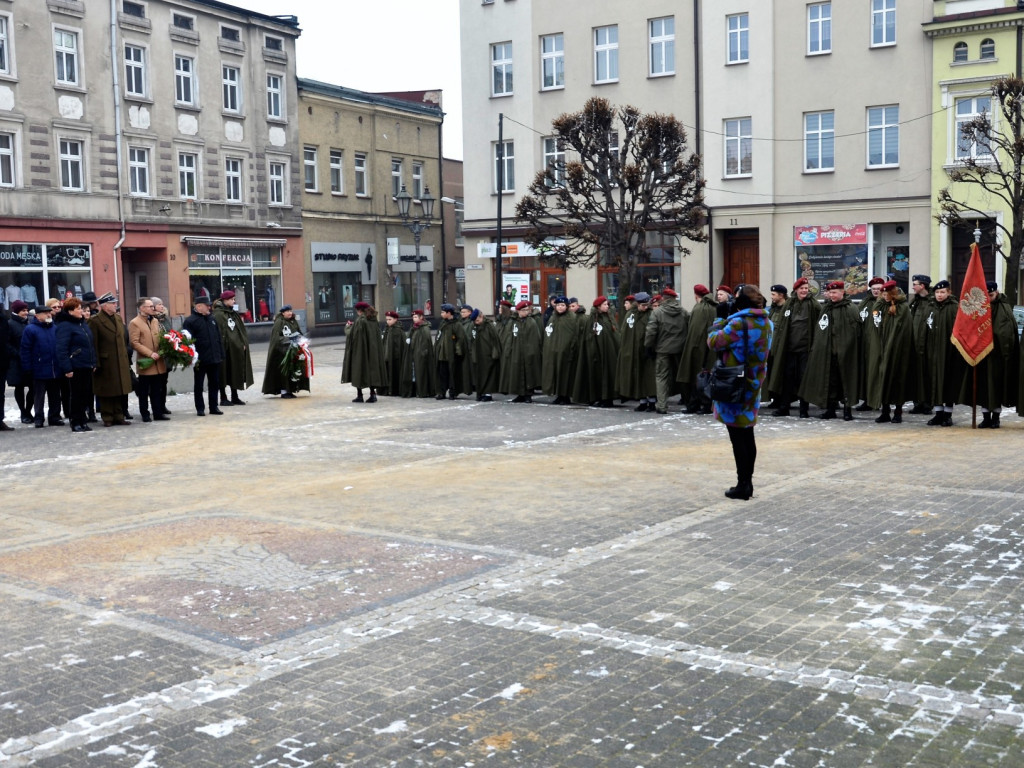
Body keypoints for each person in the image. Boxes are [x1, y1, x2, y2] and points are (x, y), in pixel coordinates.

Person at [707, 284, 773, 501]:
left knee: (737, 437)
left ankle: (742, 485)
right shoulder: (767, 323)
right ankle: (747, 482)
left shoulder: (737, 323)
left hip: (734, 383)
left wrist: (719, 319)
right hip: (753, 382)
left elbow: (714, 342)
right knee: (747, 433)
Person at [798, 280, 861, 420]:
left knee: (846, 381)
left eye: (834, 292)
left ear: (842, 292)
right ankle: (830, 409)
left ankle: (847, 410)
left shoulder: (851, 308)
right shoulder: (826, 308)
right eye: (830, 292)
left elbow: (856, 332)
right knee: (830, 381)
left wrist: (846, 348)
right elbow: (821, 329)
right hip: (829, 353)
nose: (831, 295)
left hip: (846, 353)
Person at [967, 281, 1019, 428]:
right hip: (982, 355)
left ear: (996, 293)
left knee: (996, 387)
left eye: (991, 295)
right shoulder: (979, 308)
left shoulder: (1004, 308)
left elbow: (1007, 332)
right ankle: (985, 417)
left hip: (998, 356)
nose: (988, 298)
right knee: (983, 387)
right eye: (986, 295)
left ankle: (995, 417)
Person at [767, 277, 821, 418]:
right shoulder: (789, 304)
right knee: (787, 378)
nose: (804, 291)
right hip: (789, 349)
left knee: (803, 379)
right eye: (801, 288)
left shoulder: (813, 304)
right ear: (796, 290)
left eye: (806, 288)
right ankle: (784, 407)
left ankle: (804, 409)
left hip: (805, 349)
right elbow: (783, 327)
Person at [872, 280, 913, 423]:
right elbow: (875, 321)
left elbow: (903, 330)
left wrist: (892, 345)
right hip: (883, 349)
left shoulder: (902, 307)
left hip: (898, 351)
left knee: (897, 381)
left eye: (887, 294)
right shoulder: (882, 305)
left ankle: (898, 412)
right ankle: (885, 411)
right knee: (883, 379)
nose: (884, 296)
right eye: (883, 294)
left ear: (893, 293)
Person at [89, 294, 133, 426]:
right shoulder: (95, 321)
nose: (115, 305)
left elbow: (123, 338)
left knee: (119, 389)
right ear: (104, 305)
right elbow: (93, 344)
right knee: (107, 390)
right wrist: (96, 362)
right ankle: (107, 417)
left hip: (120, 360)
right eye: (113, 303)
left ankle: (119, 415)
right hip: (106, 361)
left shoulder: (118, 318)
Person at [54, 297, 96, 432]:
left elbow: (90, 345)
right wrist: (67, 367)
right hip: (75, 365)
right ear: (70, 311)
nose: (81, 311)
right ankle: (75, 421)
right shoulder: (65, 326)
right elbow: (61, 349)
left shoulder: (82, 324)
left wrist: (93, 362)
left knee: (85, 394)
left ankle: (83, 420)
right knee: (76, 395)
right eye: (78, 309)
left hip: (86, 364)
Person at [925, 280, 964, 426]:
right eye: (937, 292)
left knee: (948, 384)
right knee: (934, 382)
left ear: (949, 293)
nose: (939, 295)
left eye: (942, 292)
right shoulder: (930, 307)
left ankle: (948, 415)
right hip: (932, 351)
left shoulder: (955, 308)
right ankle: (938, 413)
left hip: (949, 353)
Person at [644, 286, 689, 414]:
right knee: (682, 376)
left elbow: (651, 332)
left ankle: (662, 405)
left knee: (661, 376)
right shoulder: (683, 312)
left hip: (662, 349)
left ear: (663, 298)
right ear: (675, 299)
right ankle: (689, 402)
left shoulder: (657, 312)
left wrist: (648, 346)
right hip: (680, 349)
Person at [676, 284, 718, 414]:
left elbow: (695, 332)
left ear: (696, 295)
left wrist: (691, 348)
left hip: (698, 347)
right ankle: (703, 404)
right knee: (706, 376)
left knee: (697, 376)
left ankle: (697, 404)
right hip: (710, 346)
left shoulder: (700, 308)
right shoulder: (713, 307)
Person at [572, 296, 619, 407]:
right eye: (604, 305)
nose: (607, 306)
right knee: (597, 375)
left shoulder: (609, 318)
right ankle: (599, 397)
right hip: (595, 352)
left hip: (608, 352)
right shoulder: (592, 319)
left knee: (608, 375)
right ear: (598, 306)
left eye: (607, 304)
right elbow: (588, 336)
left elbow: (614, 335)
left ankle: (608, 399)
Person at [182, 295, 224, 416]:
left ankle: (214, 406)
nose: (209, 308)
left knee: (214, 383)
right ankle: (200, 408)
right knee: (199, 385)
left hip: (214, 357)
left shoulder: (212, 319)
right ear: (199, 306)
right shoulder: (190, 321)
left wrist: (221, 354)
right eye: (207, 306)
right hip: (200, 359)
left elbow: (218, 337)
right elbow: (187, 342)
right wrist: (191, 357)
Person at [21, 305, 63, 427]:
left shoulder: (54, 328)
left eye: (49, 313)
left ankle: (54, 417)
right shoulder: (30, 329)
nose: (49, 315)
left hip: (54, 367)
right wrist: (27, 367)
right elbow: (25, 350)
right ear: (37, 316)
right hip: (39, 368)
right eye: (45, 313)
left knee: (55, 395)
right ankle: (39, 418)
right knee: (39, 396)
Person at [129, 297, 169, 422]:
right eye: (150, 306)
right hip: (146, 362)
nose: (153, 308)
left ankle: (157, 412)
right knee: (144, 390)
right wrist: (150, 353)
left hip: (158, 361)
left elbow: (159, 337)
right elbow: (134, 343)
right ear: (142, 308)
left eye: (153, 306)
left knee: (157, 389)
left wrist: (166, 346)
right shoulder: (135, 322)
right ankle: (145, 413)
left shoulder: (155, 321)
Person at [616, 292, 657, 411]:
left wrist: (652, 348)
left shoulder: (652, 314)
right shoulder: (630, 315)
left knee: (649, 377)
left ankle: (652, 402)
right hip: (634, 351)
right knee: (638, 377)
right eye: (642, 305)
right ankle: (642, 401)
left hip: (648, 351)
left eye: (646, 305)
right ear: (637, 304)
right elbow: (626, 333)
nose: (645, 307)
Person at [213, 289, 254, 406]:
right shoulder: (218, 314)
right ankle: (223, 397)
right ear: (225, 300)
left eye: (234, 299)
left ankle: (235, 396)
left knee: (235, 371)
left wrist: (243, 343)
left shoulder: (233, 313)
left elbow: (239, 330)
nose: (234, 301)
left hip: (236, 349)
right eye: (231, 299)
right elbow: (220, 332)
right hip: (224, 349)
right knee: (224, 372)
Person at [500, 299, 543, 403]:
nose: (526, 312)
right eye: (523, 310)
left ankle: (528, 394)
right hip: (516, 352)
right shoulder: (513, 322)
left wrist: (532, 351)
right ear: (518, 311)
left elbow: (535, 338)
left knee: (528, 373)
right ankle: (520, 394)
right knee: (517, 373)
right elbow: (509, 336)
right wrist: (508, 350)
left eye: (527, 310)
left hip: (528, 352)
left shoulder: (531, 322)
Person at [342, 301, 386, 403]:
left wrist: (348, 327)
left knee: (359, 371)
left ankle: (360, 395)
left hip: (361, 351)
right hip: (373, 351)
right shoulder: (373, 319)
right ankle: (373, 395)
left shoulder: (360, 320)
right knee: (372, 371)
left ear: (359, 310)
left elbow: (353, 335)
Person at [262, 305, 309, 398]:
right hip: (281, 352)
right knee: (283, 372)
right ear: (283, 313)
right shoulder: (279, 322)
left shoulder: (293, 321)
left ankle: (290, 390)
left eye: (290, 311)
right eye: (287, 311)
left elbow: (299, 332)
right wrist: (289, 338)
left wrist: (302, 340)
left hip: (292, 350)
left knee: (292, 371)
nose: (290, 313)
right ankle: (284, 392)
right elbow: (276, 338)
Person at [541, 296, 579, 405]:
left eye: (562, 305)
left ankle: (565, 396)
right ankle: (558, 395)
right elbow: (549, 332)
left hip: (566, 351)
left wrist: (570, 347)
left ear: (566, 307)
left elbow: (574, 334)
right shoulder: (553, 318)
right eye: (558, 305)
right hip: (554, 351)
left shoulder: (571, 318)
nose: (560, 307)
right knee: (556, 374)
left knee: (565, 374)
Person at [856, 277, 886, 412]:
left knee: (878, 373)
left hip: (880, 344)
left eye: (878, 289)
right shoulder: (865, 303)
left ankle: (879, 399)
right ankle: (867, 400)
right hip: (865, 344)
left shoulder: (886, 303)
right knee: (866, 373)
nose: (876, 291)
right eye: (873, 289)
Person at [908, 274, 934, 415]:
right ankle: (918, 403)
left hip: (928, 345)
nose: (913, 286)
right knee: (916, 376)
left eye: (915, 284)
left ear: (922, 286)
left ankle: (928, 404)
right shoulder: (915, 302)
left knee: (927, 375)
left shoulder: (932, 301)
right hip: (915, 344)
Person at [434, 302, 469, 400]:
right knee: (442, 373)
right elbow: (438, 336)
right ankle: (442, 392)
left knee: (453, 374)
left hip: (452, 354)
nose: (441, 314)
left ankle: (453, 392)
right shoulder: (443, 323)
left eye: (443, 312)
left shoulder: (457, 324)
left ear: (449, 313)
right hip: (442, 354)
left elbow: (461, 339)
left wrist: (457, 351)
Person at [401, 308, 437, 398]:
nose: (414, 319)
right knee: (414, 373)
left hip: (421, 355)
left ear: (421, 317)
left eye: (416, 317)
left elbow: (425, 342)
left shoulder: (424, 328)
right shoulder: (414, 327)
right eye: (413, 317)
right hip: (413, 354)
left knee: (421, 373)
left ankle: (422, 391)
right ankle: (414, 390)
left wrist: (423, 353)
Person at [7, 300, 33, 424]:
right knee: (19, 387)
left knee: (33, 387)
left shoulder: (28, 323)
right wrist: (17, 354)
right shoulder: (10, 324)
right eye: (23, 311)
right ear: (17, 311)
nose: (26, 313)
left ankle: (28, 411)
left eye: (27, 310)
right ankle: (23, 412)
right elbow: (7, 343)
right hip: (16, 362)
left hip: (29, 360)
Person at [468, 309, 501, 401]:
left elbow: (495, 340)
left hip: (488, 354)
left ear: (481, 316)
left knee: (488, 375)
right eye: (474, 321)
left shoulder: (489, 326)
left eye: (477, 320)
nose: (476, 322)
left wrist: (495, 353)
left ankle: (487, 393)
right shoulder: (474, 326)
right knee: (479, 375)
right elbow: (471, 340)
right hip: (477, 354)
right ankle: (480, 392)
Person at [150, 297, 172, 415]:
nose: (162, 306)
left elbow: (171, 332)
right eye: (159, 304)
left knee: (164, 382)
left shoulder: (165, 319)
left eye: (162, 304)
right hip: (156, 355)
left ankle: (163, 405)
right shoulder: (152, 320)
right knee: (156, 384)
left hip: (166, 356)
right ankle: (157, 407)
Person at [381, 311, 406, 396]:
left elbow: (400, 345)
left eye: (390, 319)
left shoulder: (398, 330)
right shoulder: (387, 329)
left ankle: (394, 390)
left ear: (395, 319)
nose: (388, 321)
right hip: (386, 355)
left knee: (395, 374)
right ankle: (386, 390)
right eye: (387, 319)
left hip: (395, 357)